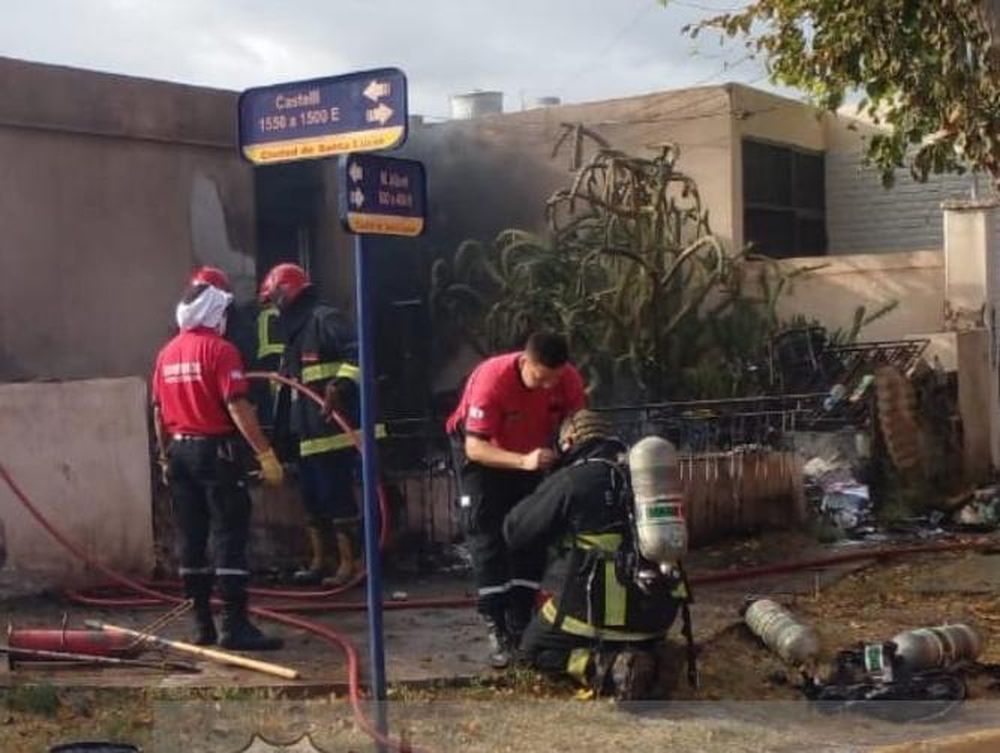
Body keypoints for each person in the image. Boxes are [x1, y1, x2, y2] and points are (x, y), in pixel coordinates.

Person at [502, 409, 691, 700]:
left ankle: (603, 668)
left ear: (568, 441)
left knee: (530, 654)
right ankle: (652, 657)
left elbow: (517, 530)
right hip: (658, 613)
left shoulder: (574, 478)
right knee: (623, 634)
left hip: (596, 610)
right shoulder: (642, 475)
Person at [151, 266, 285, 651]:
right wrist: (265, 453)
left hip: (179, 453)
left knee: (192, 537)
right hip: (217, 454)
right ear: (214, 312)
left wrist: (164, 457)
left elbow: (158, 412)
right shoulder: (221, 351)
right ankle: (234, 626)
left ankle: (201, 625)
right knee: (229, 535)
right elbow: (238, 406)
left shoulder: (166, 354)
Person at [445, 332, 586, 668]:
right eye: (540, 378)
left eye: (554, 379)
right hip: (484, 454)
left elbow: (577, 418)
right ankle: (496, 623)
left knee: (532, 529)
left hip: (533, 452)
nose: (548, 386)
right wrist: (523, 462)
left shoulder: (566, 379)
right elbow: (475, 447)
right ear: (525, 362)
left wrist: (570, 438)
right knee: (487, 532)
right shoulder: (492, 381)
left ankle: (522, 616)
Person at [258, 262, 369, 587]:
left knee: (338, 499)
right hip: (305, 433)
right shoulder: (294, 332)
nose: (273, 307)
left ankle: (351, 564)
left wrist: (340, 386)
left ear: (286, 293)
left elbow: (359, 354)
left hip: (333, 431)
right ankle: (322, 561)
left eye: (274, 299)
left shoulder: (324, 319)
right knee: (312, 499)